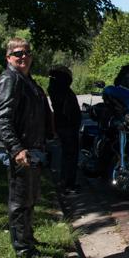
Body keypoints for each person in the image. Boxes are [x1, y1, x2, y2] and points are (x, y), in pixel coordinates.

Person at [0, 37, 53, 258]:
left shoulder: (25, 79)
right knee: (20, 200)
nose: (23, 56)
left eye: (26, 52)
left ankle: (27, 237)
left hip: (32, 146)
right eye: (18, 53)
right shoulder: (9, 80)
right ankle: (24, 250)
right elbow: (1, 118)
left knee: (30, 197)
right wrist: (16, 149)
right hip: (19, 149)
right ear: (8, 57)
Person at [47, 65, 82, 193]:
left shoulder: (56, 88)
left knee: (69, 155)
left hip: (66, 125)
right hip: (67, 126)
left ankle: (67, 183)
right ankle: (67, 184)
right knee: (70, 155)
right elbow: (67, 109)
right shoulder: (61, 89)